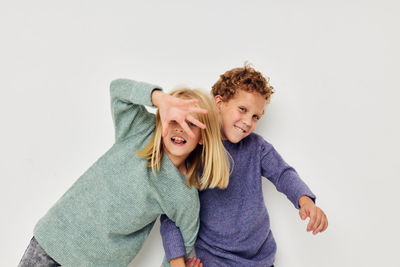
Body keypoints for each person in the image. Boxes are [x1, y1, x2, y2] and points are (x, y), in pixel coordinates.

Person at [18, 78, 230, 267]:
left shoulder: (184, 195)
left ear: (203, 137)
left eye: (191, 124)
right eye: (174, 120)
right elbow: (118, 90)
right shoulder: (140, 129)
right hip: (53, 240)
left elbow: (181, 246)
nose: (180, 128)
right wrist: (160, 99)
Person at [159, 65, 329, 267]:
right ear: (219, 103)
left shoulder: (257, 147)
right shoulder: (194, 151)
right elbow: (171, 214)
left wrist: (305, 201)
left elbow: (283, 174)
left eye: (256, 116)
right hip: (216, 261)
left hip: (261, 259)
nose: (248, 121)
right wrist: (177, 262)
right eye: (243, 109)